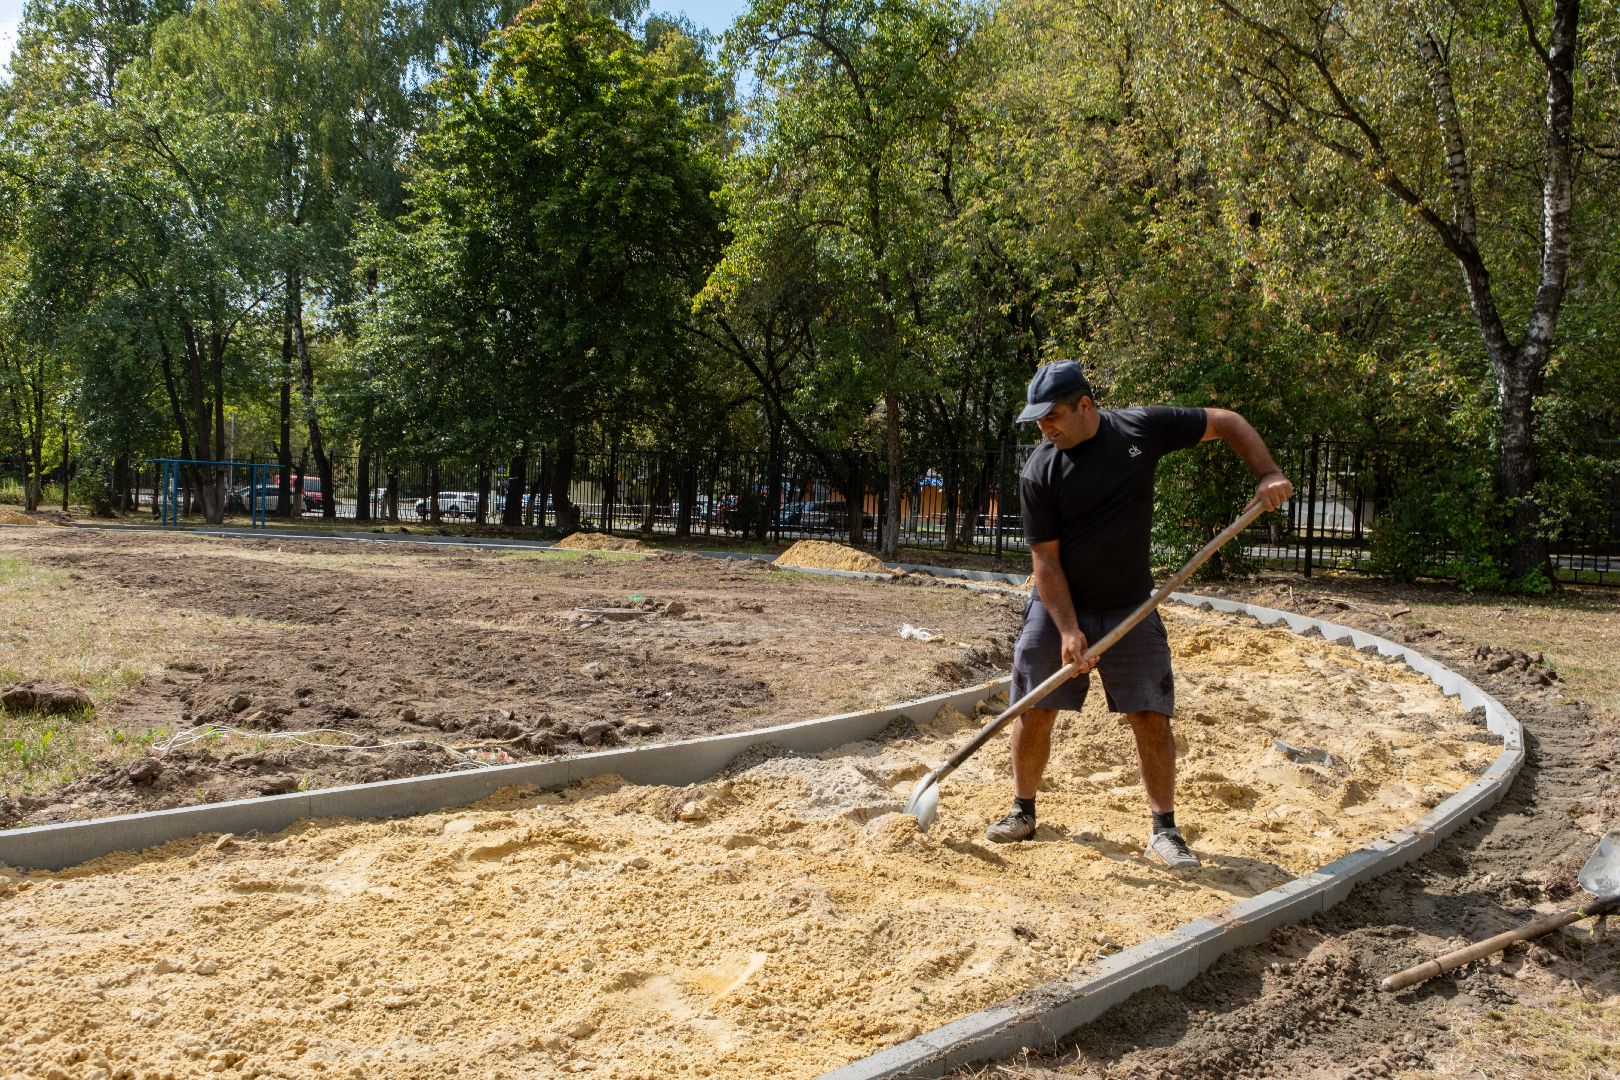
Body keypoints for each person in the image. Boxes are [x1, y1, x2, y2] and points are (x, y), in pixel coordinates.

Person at [986, 360, 1293, 871]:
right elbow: (1045, 561)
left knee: (1151, 713)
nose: (1045, 428)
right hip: (1060, 604)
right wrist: (1067, 630)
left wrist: (1268, 473)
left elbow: (1227, 421)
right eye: (1038, 421)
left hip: (1133, 604)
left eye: (1053, 416)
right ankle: (1023, 810)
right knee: (1035, 705)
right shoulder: (1039, 471)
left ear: (1086, 406)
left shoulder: (1140, 429)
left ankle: (1164, 830)